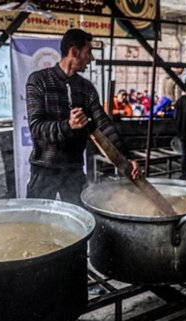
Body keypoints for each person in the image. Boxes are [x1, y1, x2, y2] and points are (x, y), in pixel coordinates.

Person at [25, 28, 139, 205]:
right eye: (88, 52)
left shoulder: (86, 88)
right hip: (44, 170)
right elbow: (37, 129)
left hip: (73, 170)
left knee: (82, 220)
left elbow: (104, 125)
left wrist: (127, 157)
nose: (91, 58)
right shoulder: (39, 81)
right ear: (74, 51)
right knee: (36, 220)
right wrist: (68, 125)